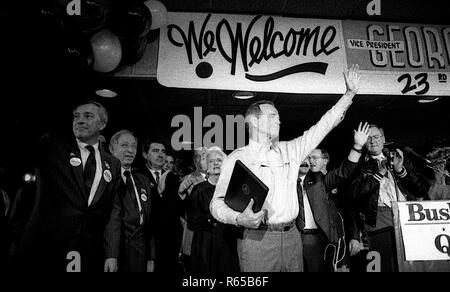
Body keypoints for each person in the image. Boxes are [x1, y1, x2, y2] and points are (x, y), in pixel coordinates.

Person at [210, 65, 361, 272]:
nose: (278, 120)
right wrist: (238, 218)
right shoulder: (238, 158)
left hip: (292, 238)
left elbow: (323, 126)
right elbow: (216, 204)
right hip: (257, 241)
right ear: (253, 121)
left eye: (278, 117)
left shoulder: (291, 149)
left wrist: (349, 95)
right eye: (271, 116)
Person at [13, 100, 122, 272]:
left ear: (103, 124)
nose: (80, 120)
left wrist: (110, 253)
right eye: (76, 116)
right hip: (44, 248)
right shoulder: (52, 147)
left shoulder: (113, 164)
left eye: (88, 116)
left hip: (86, 252)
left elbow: (110, 212)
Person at [350, 124, 430, 266]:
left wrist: (400, 170)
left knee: (410, 262)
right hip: (378, 216)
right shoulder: (359, 164)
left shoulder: (399, 158)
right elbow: (355, 195)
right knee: (384, 262)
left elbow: (422, 189)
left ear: (384, 139)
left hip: (406, 215)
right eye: (368, 138)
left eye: (376, 137)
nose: (373, 141)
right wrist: (379, 174)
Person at [296, 122, 369, 272]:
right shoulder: (290, 181)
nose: (311, 160)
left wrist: (357, 147)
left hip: (321, 237)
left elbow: (344, 171)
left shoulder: (320, 181)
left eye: (314, 157)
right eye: (308, 157)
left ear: (325, 160)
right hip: (296, 238)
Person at [104, 130, 156, 272]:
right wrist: (111, 255)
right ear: (112, 148)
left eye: (133, 146)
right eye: (124, 145)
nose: (130, 150)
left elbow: (148, 221)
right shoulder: (104, 178)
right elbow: (109, 220)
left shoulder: (143, 181)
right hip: (115, 254)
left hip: (140, 254)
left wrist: (151, 257)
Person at [187, 147, 240, 273]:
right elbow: (192, 222)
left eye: (219, 160)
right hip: (206, 245)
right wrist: (213, 217)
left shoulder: (233, 189)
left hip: (227, 243)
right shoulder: (199, 190)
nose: (215, 163)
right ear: (206, 165)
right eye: (211, 161)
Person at [140, 138, 183, 273]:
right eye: (155, 151)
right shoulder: (137, 176)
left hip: (171, 239)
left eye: (163, 151)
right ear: (145, 154)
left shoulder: (173, 178)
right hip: (148, 240)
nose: (160, 155)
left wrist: (185, 195)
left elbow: (179, 209)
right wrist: (157, 192)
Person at [178, 147, 208, 269]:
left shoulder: (220, 179)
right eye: (197, 156)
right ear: (194, 159)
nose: (201, 159)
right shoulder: (186, 180)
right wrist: (182, 195)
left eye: (204, 156)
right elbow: (179, 210)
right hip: (194, 238)